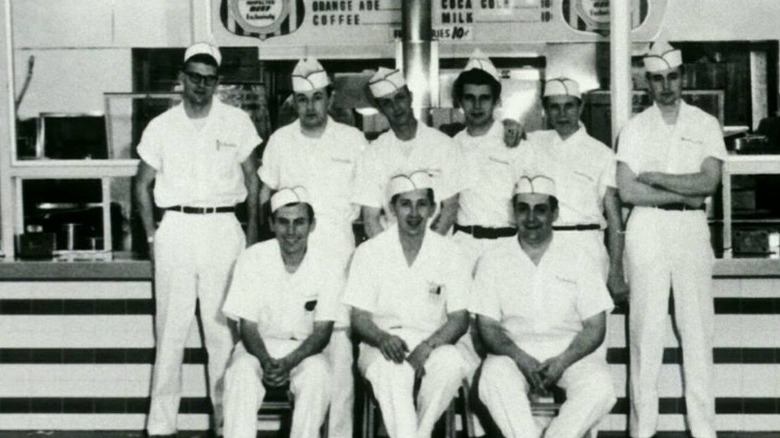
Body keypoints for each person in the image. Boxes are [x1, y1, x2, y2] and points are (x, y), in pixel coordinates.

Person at [134, 42, 261, 438]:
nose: (201, 86)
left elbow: (254, 183)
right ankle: (160, 427)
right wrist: (154, 237)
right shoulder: (162, 125)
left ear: (217, 82)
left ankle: (228, 425)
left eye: (209, 80)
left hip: (224, 230)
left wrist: (253, 240)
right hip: (176, 229)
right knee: (169, 333)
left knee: (222, 332)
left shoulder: (236, 121)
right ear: (182, 79)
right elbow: (141, 185)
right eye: (194, 78)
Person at [616, 40, 725, 438]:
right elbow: (628, 191)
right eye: (657, 79)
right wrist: (685, 191)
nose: (666, 86)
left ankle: (704, 432)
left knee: (698, 332)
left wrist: (657, 176)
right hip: (647, 231)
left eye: (672, 77)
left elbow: (709, 181)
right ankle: (642, 431)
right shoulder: (635, 128)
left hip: (691, 231)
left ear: (684, 78)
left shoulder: (704, 124)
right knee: (645, 333)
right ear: (647, 82)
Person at [257, 58, 366, 438]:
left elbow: (369, 204)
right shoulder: (280, 141)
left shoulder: (352, 140)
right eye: (302, 100)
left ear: (331, 98)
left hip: (338, 257)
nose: (310, 107)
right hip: (289, 261)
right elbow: (263, 195)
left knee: (338, 357)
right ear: (293, 102)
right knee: (301, 358)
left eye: (317, 98)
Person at [472, 175, 616, 438]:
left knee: (601, 388)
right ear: (513, 212)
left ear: (555, 213)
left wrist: (562, 362)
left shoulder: (580, 256)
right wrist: (522, 359)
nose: (531, 218)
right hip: (513, 353)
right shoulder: (492, 259)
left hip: (569, 353)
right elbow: (488, 327)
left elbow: (596, 326)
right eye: (523, 208)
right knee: (492, 379)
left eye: (540, 209)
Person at [344, 171, 471, 438]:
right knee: (393, 373)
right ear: (392, 209)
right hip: (381, 344)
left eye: (421, 204)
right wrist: (382, 338)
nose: (414, 213)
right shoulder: (369, 252)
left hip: (434, 341)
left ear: (433, 209)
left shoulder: (451, 253)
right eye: (405, 204)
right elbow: (359, 318)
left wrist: (428, 346)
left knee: (452, 364)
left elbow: (459, 318)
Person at [221, 187, 341, 438]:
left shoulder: (329, 263)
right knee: (240, 372)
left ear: (312, 225)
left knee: (317, 376)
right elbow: (247, 326)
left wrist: (288, 362)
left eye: (299, 222)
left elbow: (323, 332)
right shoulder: (252, 258)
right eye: (283, 222)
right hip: (257, 347)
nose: (291, 231)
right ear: (272, 224)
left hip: (306, 350)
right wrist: (266, 360)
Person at [518, 77, 628, 302]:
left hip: (587, 247)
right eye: (555, 107)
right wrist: (510, 124)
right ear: (545, 110)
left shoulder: (601, 154)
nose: (562, 114)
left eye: (569, 106)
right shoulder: (531, 144)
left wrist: (616, 270)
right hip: (542, 246)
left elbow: (615, 218)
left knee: (592, 324)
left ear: (581, 107)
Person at [353, 68, 467, 238]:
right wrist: (390, 255)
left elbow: (450, 208)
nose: (396, 107)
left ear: (410, 97)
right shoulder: (373, 153)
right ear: (381, 109)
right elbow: (371, 219)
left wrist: (428, 250)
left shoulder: (443, 145)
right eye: (387, 103)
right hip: (390, 253)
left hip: (437, 249)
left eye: (400, 98)